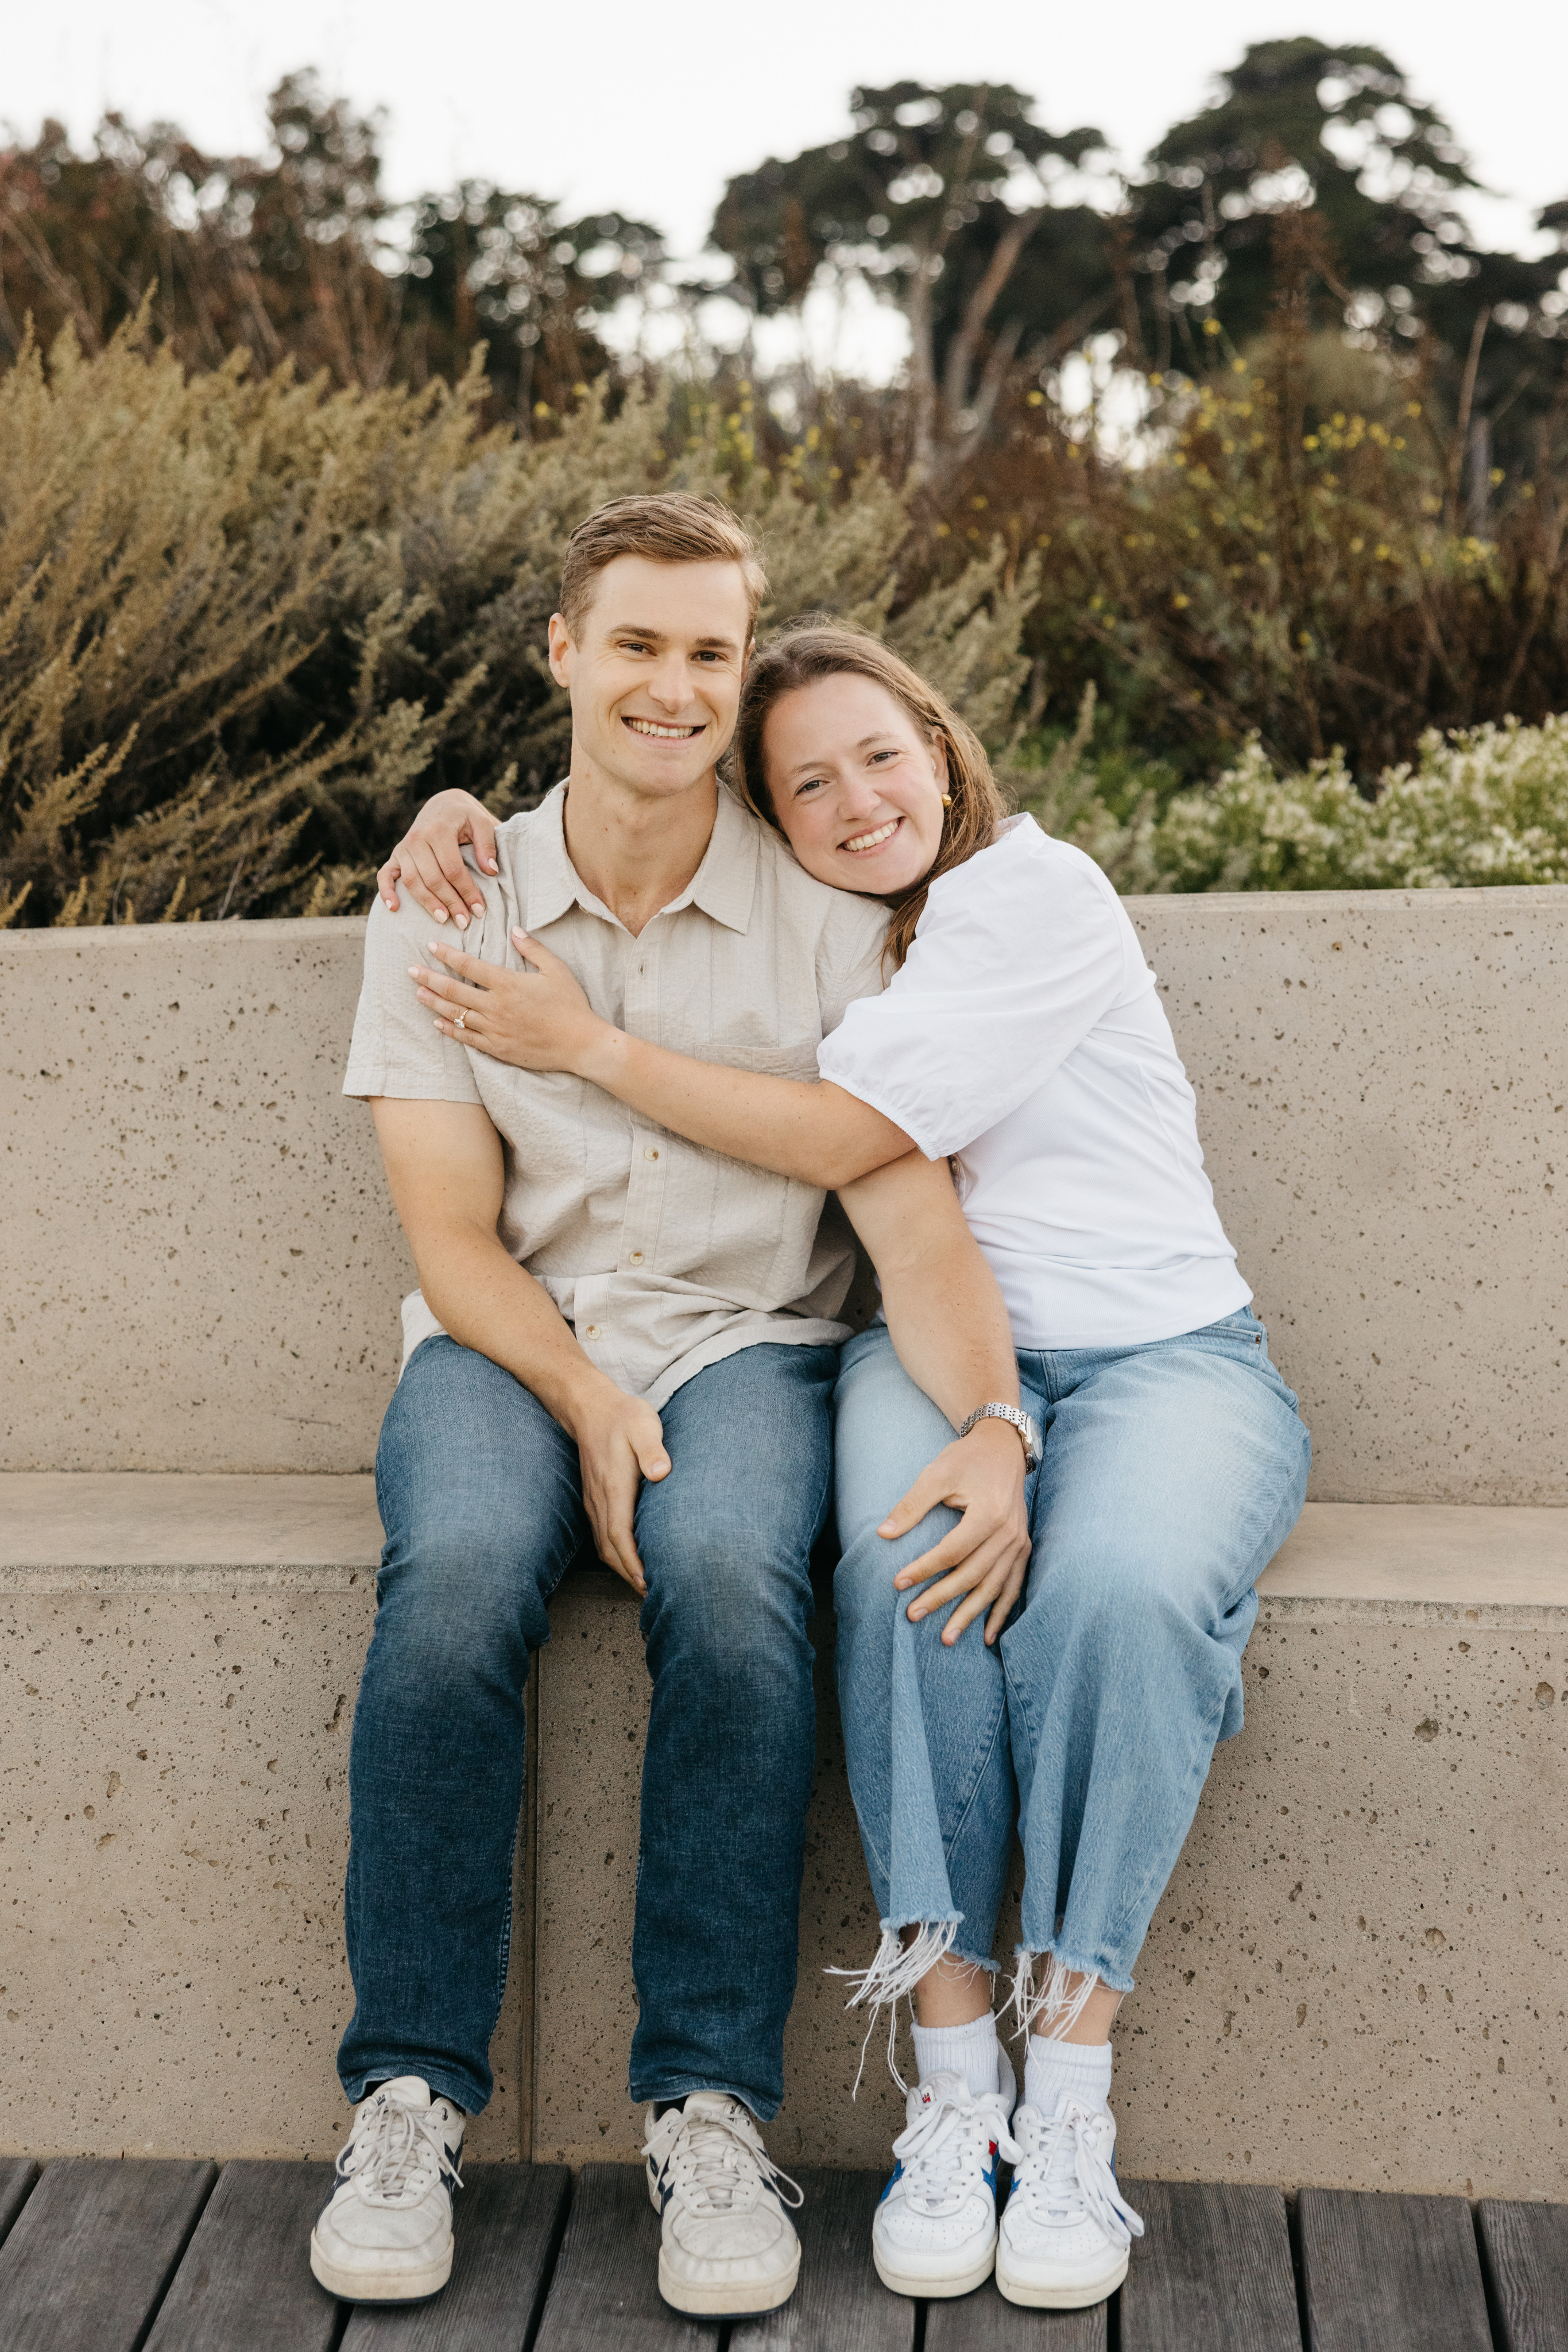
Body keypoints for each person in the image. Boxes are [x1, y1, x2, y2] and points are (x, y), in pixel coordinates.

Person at [381, 619, 1313, 2312]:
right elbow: (613, 828)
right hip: (916, 1350)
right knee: (899, 1568)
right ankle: (953, 2084)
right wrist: (453, 802)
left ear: (944, 751)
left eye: (880, 756)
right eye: (806, 783)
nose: (855, 798)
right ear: (772, 817)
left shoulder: (1027, 893)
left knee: (1110, 1592)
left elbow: (852, 1149)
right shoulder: (851, 940)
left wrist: (1008, 1431)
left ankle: (1070, 2094)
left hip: (1158, 1353)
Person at [321, 502, 1035, 2319]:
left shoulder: (825, 918)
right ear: (561, 651)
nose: (674, 685)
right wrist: (575, 1395)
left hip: (750, 1346)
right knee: (462, 1574)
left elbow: (890, 1191)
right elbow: (449, 1238)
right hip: (508, 1335)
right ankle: (407, 2097)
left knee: (731, 1581)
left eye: (709, 651)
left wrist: (994, 1417)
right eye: (635, 643)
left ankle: (706, 2107)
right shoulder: (443, 899)